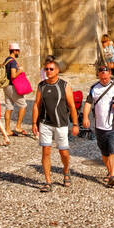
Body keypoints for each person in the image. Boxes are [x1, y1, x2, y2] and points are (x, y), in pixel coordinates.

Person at [31, 58, 79, 191]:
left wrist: (75, 124)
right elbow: (36, 105)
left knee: (64, 153)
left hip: (61, 124)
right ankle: (48, 181)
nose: (48, 71)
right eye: (46, 69)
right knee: (46, 152)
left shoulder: (64, 85)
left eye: (51, 69)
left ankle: (66, 171)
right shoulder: (41, 86)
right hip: (45, 123)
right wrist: (34, 123)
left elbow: (72, 106)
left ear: (57, 71)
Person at [83, 64, 114, 187]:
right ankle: (109, 171)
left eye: (106, 78)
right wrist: (85, 117)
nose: (104, 80)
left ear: (110, 75)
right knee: (104, 152)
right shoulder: (94, 88)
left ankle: (112, 175)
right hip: (99, 125)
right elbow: (88, 103)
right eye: (102, 78)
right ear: (98, 76)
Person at [2, 43, 30, 138]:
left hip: (6, 87)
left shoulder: (7, 60)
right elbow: (13, 75)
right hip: (12, 87)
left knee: (9, 107)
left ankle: (7, 129)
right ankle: (18, 126)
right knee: (23, 105)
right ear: (14, 51)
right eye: (18, 50)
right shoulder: (13, 62)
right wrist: (20, 71)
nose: (19, 52)